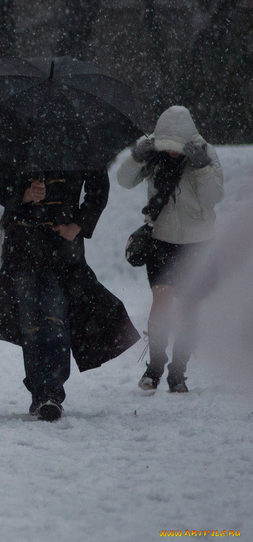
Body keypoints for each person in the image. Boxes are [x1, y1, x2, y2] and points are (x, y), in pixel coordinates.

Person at [0, 161, 139, 421]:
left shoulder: (79, 141)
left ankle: (52, 392)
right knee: (30, 324)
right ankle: (40, 391)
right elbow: (1, 188)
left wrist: (77, 225)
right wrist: (25, 194)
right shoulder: (19, 140)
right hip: (22, 248)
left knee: (56, 318)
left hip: (62, 250)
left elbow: (98, 190)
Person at [116, 106, 223, 393]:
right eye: (168, 147)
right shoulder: (152, 152)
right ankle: (155, 366)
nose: (172, 153)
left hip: (198, 242)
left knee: (189, 308)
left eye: (177, 148)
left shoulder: (205, 152)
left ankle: (179, 372)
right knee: (161, 305)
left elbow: (213, 198)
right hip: (162, 240)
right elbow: (123, 181)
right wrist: (136, 158)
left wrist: (201, 168)